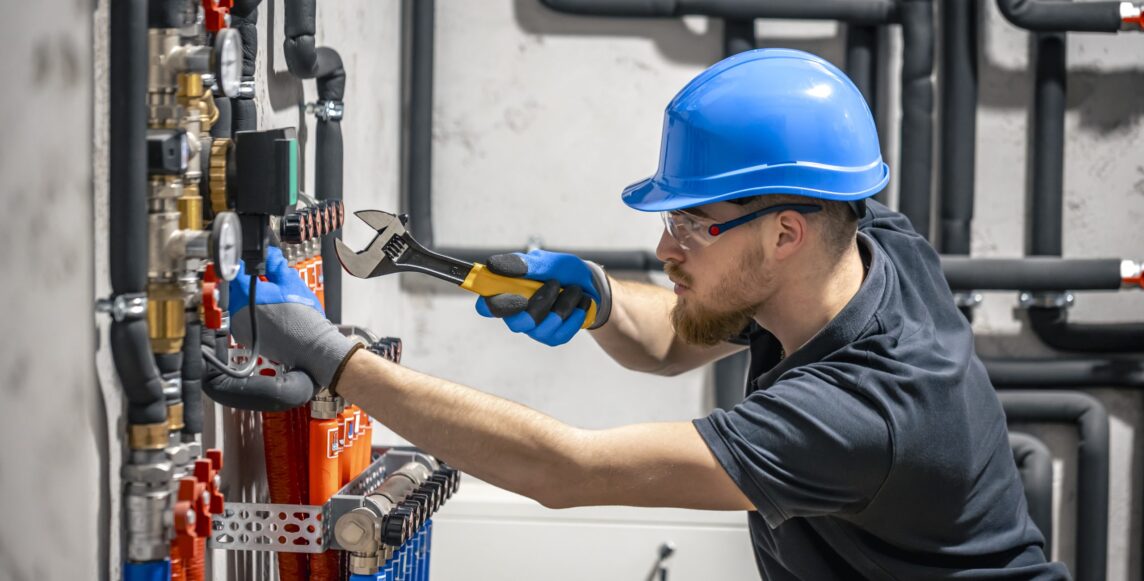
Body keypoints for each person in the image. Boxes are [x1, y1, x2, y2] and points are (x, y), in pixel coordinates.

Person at [230, 49, 1068, 579]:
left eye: (689, 226)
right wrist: (596, 297)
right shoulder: (865, 239)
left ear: (784, 233)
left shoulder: (864, 412)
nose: (667, 251)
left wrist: (334, 359)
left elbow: (569, 470)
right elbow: (672, 338)